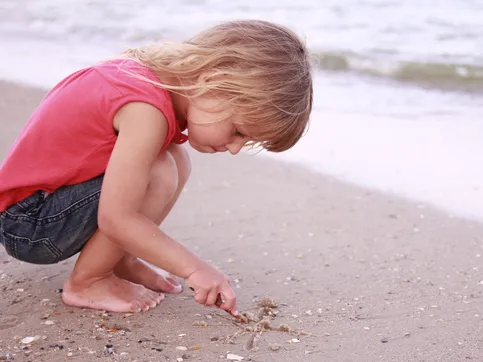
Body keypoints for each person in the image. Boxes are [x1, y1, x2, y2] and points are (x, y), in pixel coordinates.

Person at [0, 20, 313, 316]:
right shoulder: (144, 110)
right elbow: (116, 217)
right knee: (160, 170)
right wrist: (194, 269)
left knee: (176, 158)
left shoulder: (149, 79)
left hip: (38, 209)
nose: (234, 149)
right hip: (27, 225)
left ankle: (120, 259)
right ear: (212, 82)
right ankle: (87, 281)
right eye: (239, 132)